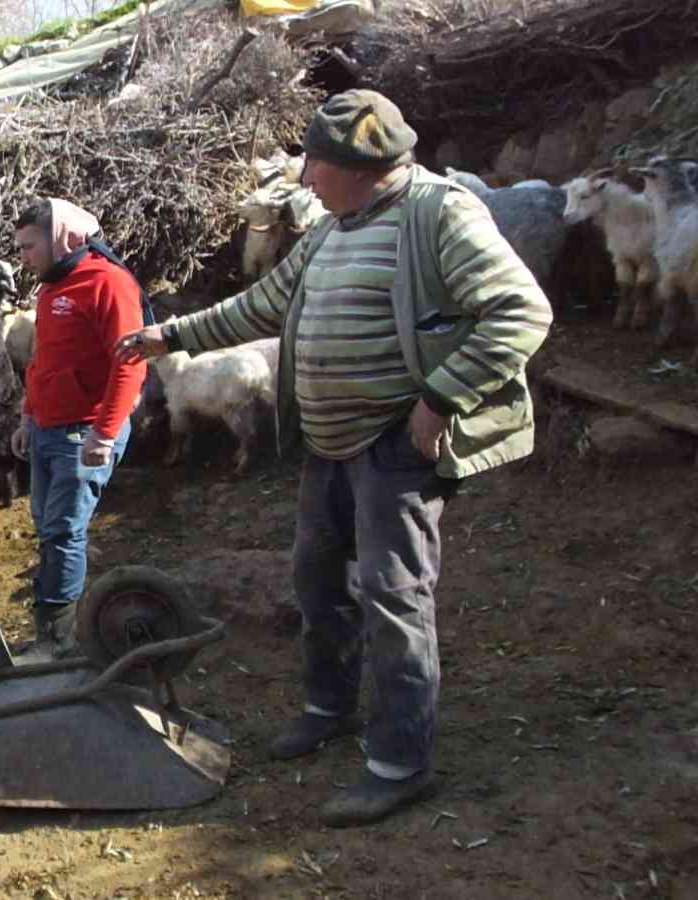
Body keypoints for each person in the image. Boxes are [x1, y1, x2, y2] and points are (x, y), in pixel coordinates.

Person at [117, 89, 552, 826]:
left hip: (393, 444)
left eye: (315, 163)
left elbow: (521, 310)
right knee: (317, 581)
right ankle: (329, 706)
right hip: (328, 443)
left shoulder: (437, 214)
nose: (305, 177)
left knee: (395, 595)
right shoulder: (330, 229)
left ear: (359, 164)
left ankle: (399, 762)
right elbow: (265, 303)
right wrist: (175, 336)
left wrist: (442, 396)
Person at [9, 198, 148, 656]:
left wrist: (105, 433)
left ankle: (58, 640)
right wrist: (28, 415)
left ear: (59, 238)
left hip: (83, 432)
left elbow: (131, 364)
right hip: (48, 428)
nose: (24, 257)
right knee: (48, 528)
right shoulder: (50, 288)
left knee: (65, 531)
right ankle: (52, 626)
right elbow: (42, 362)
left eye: (29, 247)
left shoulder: (106, 282)